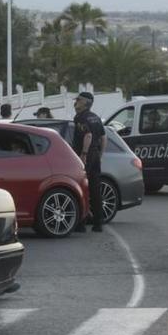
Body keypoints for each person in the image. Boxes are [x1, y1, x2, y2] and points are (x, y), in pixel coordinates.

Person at [72, 92, 106, 232]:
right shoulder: (96, 118)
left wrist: (83, 155)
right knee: (95, 188)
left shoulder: (80, 117)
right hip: (95, 155)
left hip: (85, 155)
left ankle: (81, 223)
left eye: (78, 100)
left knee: (82, 188)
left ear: (85, 103)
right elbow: (103, 137)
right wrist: (100, 154)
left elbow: (88, 134)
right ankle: (98, 223)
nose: (75, 103)